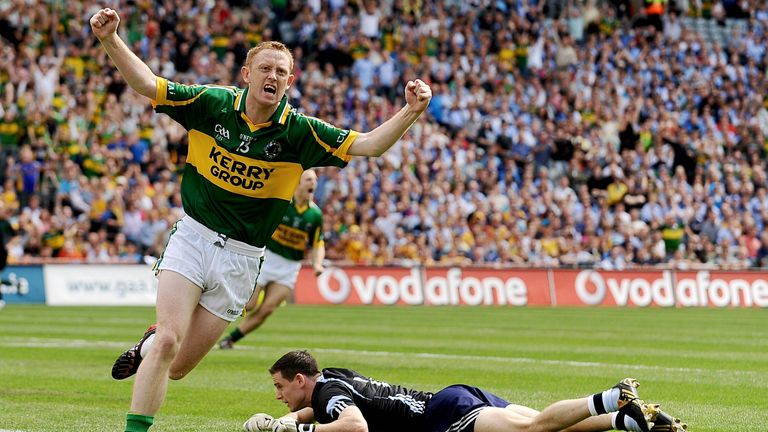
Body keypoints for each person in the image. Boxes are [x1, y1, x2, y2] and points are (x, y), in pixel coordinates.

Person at [89, 7, 432, 432]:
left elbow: (369, 145)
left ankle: (146, 346)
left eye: (282, 71)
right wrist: (109, 39)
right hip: (194, 238)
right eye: (265, 67)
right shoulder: (212, 103)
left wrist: (411, 111)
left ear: (290, 82)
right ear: (247, 73)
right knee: (169, 341)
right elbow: (146, 84)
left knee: (175, 366)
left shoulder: (299, 132)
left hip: (243, 258)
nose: (273, 75)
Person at [244, 350, 688, 432]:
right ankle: (622, 419)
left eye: (281, 388)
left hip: (442, 418)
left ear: (301, 380)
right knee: (548, 427)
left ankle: (612, 397)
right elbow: (322, 411)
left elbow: (354, 426)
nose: (279, 395)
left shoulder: (326, 398)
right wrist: (281, 421)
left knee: (535, 428)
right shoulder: (332, 378)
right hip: (449, 397)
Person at [219, 169, 326, 350]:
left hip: (290, 266)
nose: (313, 183)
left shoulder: (315, 214)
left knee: (267, 309)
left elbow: (318, 243)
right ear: (298, 182)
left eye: (315, 180)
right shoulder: (282, 203)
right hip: (267, 258)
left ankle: (230, 340)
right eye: (308, 179)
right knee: (250, 304)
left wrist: (317, 263)